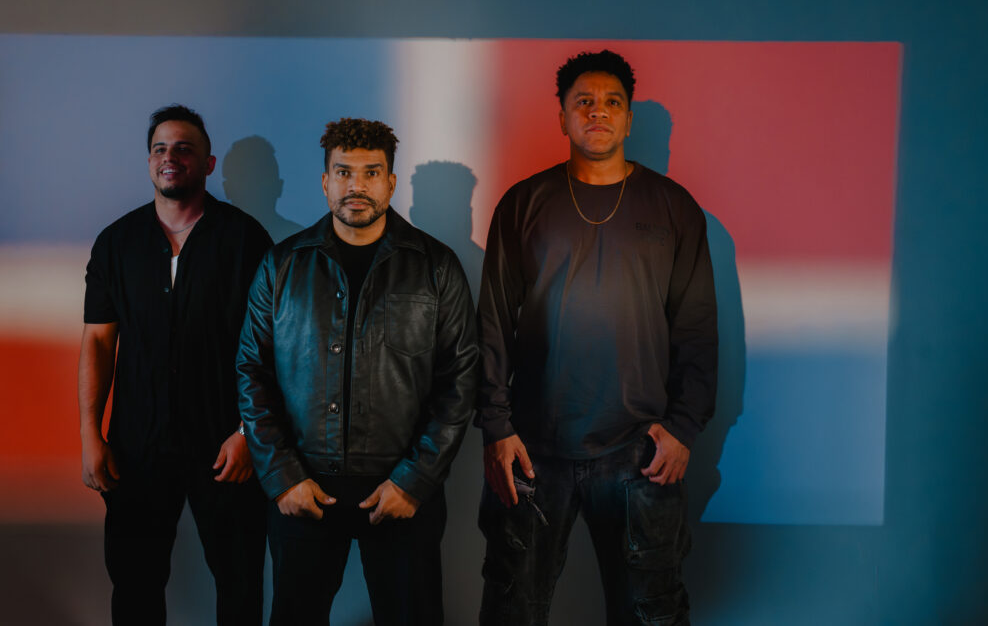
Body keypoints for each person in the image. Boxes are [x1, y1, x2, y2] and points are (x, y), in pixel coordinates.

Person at [477, 51, 718, 626]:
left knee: (650, 614)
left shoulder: (674, 208)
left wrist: (684, 427)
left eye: (612, 102)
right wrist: (496, 427)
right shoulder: (523, 204)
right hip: (533, 448)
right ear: (562, 117)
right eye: (583, 102)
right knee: (512, 610)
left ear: (629, 119)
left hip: (640, 448)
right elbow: (492, 323)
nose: (598, 112)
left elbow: (697, 328)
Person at [236, 117, 479, 626]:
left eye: (371, 173)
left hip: (401, 485)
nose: (357, 186)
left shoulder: (436, 267)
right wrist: (282, 477)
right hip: (304, 485)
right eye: (344, 172)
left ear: (391, 182)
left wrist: (415, 480)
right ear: (325, 181)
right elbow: (252, 372)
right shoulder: (281, 266)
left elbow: (460, 380)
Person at [78, 104, 272, 625]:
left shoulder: (246, 240)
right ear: (149, 162)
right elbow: (98, 344)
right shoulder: (116, 243)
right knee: (135, 587)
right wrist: (91, 434)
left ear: (208, 164)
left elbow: (272, 347)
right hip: (137, 447)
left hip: (226, 446)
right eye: (161, 148)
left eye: (184, 148)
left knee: (240, 585)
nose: (171, 157)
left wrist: (248, 433)